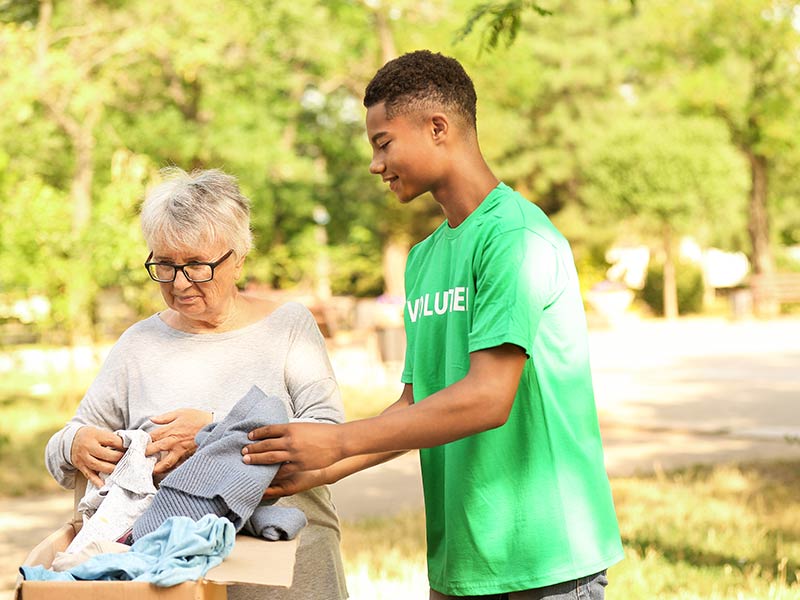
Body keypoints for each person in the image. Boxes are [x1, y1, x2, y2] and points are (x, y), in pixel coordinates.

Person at [243, 50, 624, 599]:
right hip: (462, 559)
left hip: (546, 558)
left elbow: (489, 397)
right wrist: (327, 466)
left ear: (438, 128)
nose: (375, 164)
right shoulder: (423, 259)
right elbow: (415, 404)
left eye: (383, 142)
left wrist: (341, 439)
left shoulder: (516, 239)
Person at [45, 167, 348, 600]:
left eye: (196, 265)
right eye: (165, 265)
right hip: (172, 583)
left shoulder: (288, 327)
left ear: (239, 256)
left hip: (288, 572)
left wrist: (211, 433)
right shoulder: (138, 344)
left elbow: (327, 434)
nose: (180, 283)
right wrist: (73, 445)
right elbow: (65, 441)